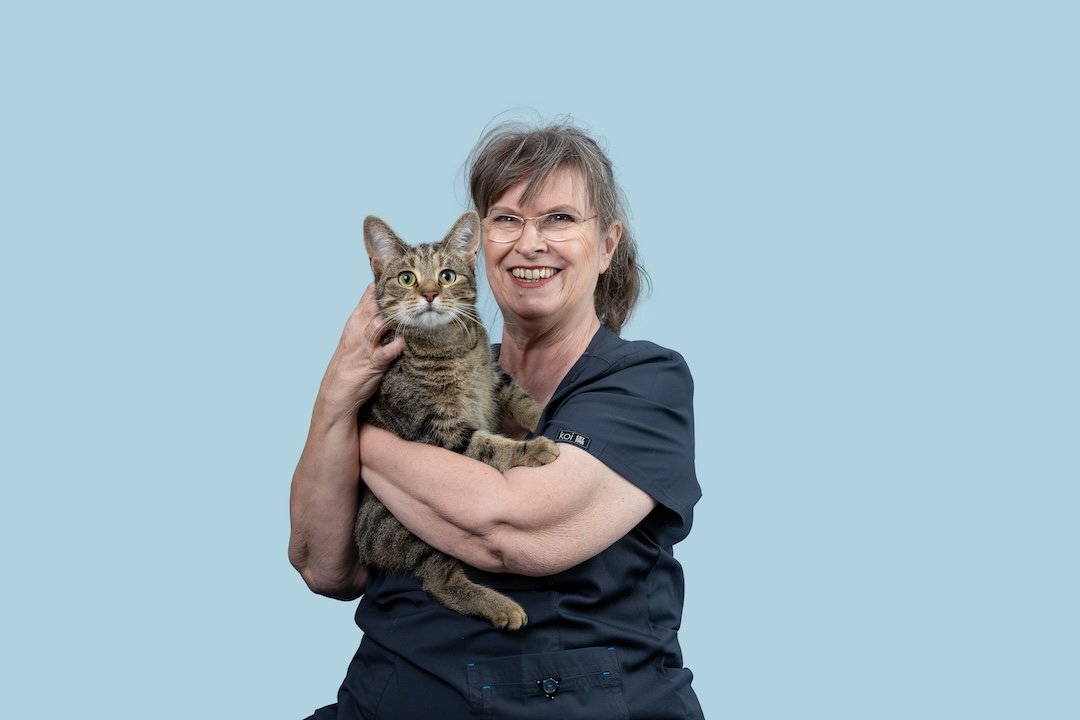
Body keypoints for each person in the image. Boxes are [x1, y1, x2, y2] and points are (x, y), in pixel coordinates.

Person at [289, 120, 704, 719]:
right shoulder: (404, 375)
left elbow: (511, 530)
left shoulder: (644, 382)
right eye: (507, 219)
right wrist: (336, 388)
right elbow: (322, 564)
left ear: (607, 245)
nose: (529, 243)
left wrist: (356, 431)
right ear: (479, 245)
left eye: (558, 219)